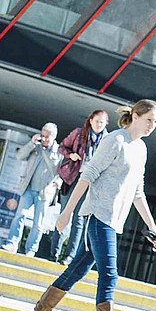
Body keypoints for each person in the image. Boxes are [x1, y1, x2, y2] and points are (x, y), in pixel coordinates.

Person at [26, 100, 156, 311]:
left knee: (76, 271)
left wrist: (153, 226)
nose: (153, 126)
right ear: (136, 116)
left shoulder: (141, 149)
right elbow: (87, 174)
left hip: (114, 221)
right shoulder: (115, 141)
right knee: (110, 275)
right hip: (97, 217)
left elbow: (138, 192)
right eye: (149, 120)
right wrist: (67, 212)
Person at [53, 108, 109, 264]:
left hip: (90, 181)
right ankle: (54, 252)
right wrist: (71, 155)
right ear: (90, 121)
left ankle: (69, 256)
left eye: (102, 123)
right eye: (96, 121)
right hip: (73, 176)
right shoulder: (79, 134)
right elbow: (62, 147)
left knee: (78, 219)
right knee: (65, 212)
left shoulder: (107, 140)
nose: (99, 125)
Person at [2, 123, 62, 256]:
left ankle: (31, 249)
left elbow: (63, 171)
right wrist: (31, 143)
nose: (44, 139)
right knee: (20, 215)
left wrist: (58, 182)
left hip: (45, 192)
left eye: (47, 137)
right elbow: (19, 156)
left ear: (54, 137)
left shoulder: (59, 152)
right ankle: (12, 243)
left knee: (38, 223)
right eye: (43, 136)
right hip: (28, 188)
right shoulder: (35, 147)